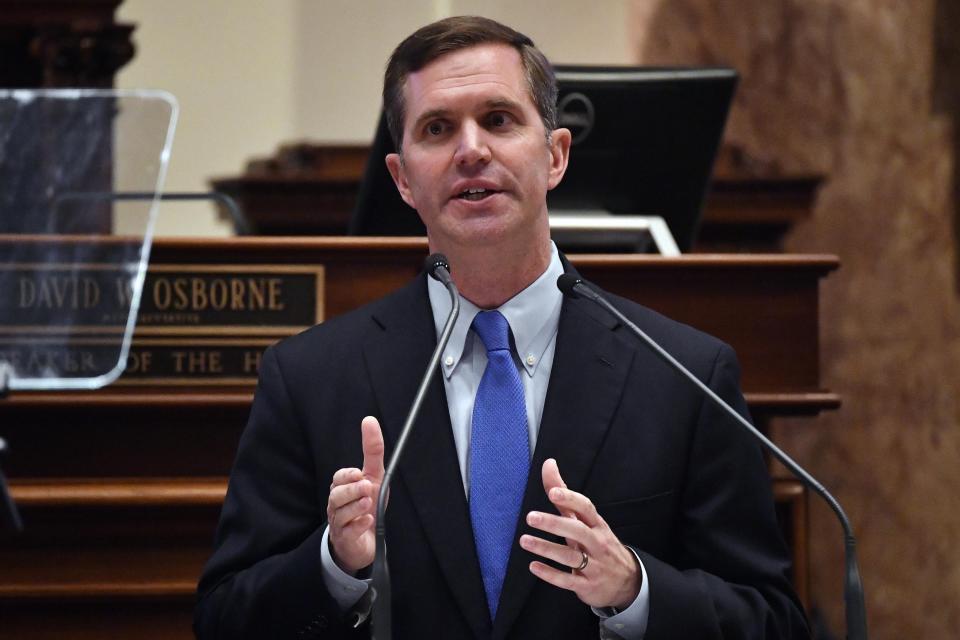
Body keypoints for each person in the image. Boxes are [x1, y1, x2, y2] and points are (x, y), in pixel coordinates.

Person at [195, 16, 808, 640]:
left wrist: (634, 590)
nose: (471, 150)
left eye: (498, 119)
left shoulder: (684, 375)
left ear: (555, 155)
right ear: (403, 180)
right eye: (437, 128)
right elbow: (223, 618)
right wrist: (335, 566)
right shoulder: (309, 378)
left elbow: (774, 621)